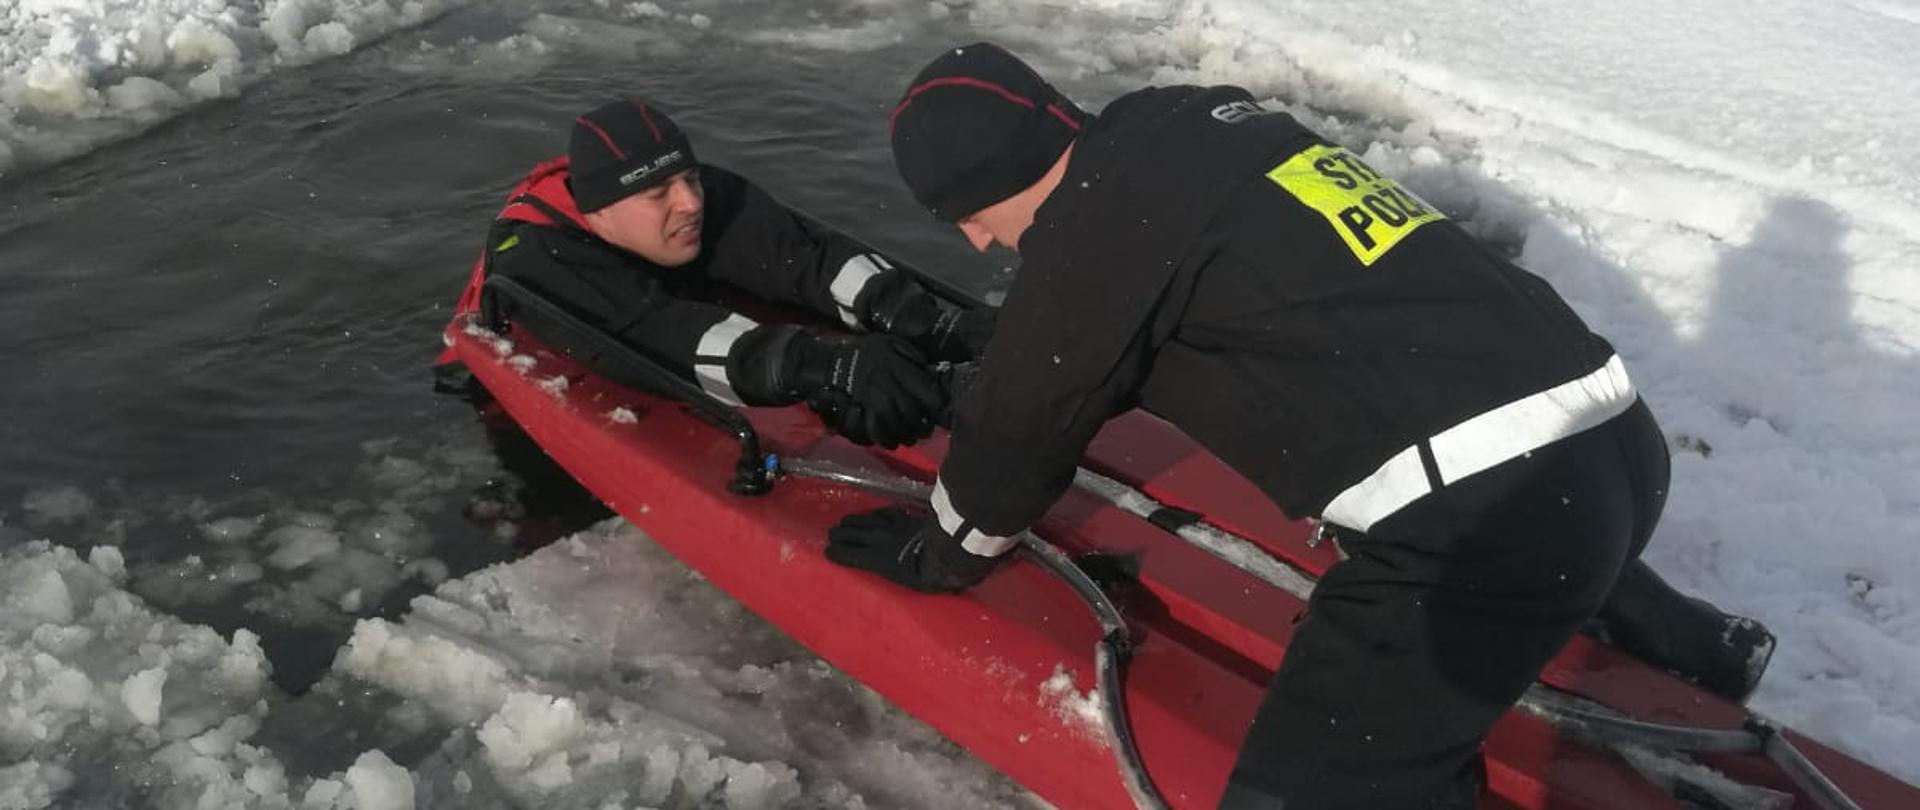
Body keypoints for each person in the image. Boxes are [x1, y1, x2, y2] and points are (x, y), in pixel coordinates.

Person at [824, 43, 1771, 808]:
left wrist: (938, 555)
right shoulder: (1192, 119)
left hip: (1490, 533)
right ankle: (1700, 648)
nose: (982, 243)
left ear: (994, 184)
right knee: (1518, 485)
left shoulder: (1087, 243)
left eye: (973, 217)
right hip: (1611, 440)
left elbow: (1012, 446)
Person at [445, 97, 993, 447]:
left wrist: (919, 319)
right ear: (599, 212)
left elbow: (804, 255)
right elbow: (663, 334)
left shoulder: (687, 197)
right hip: (540, 386)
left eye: (690, 178)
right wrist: (828, 367)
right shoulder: (539, 255)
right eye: (659, 192)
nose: (689, 202)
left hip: (663, 300)